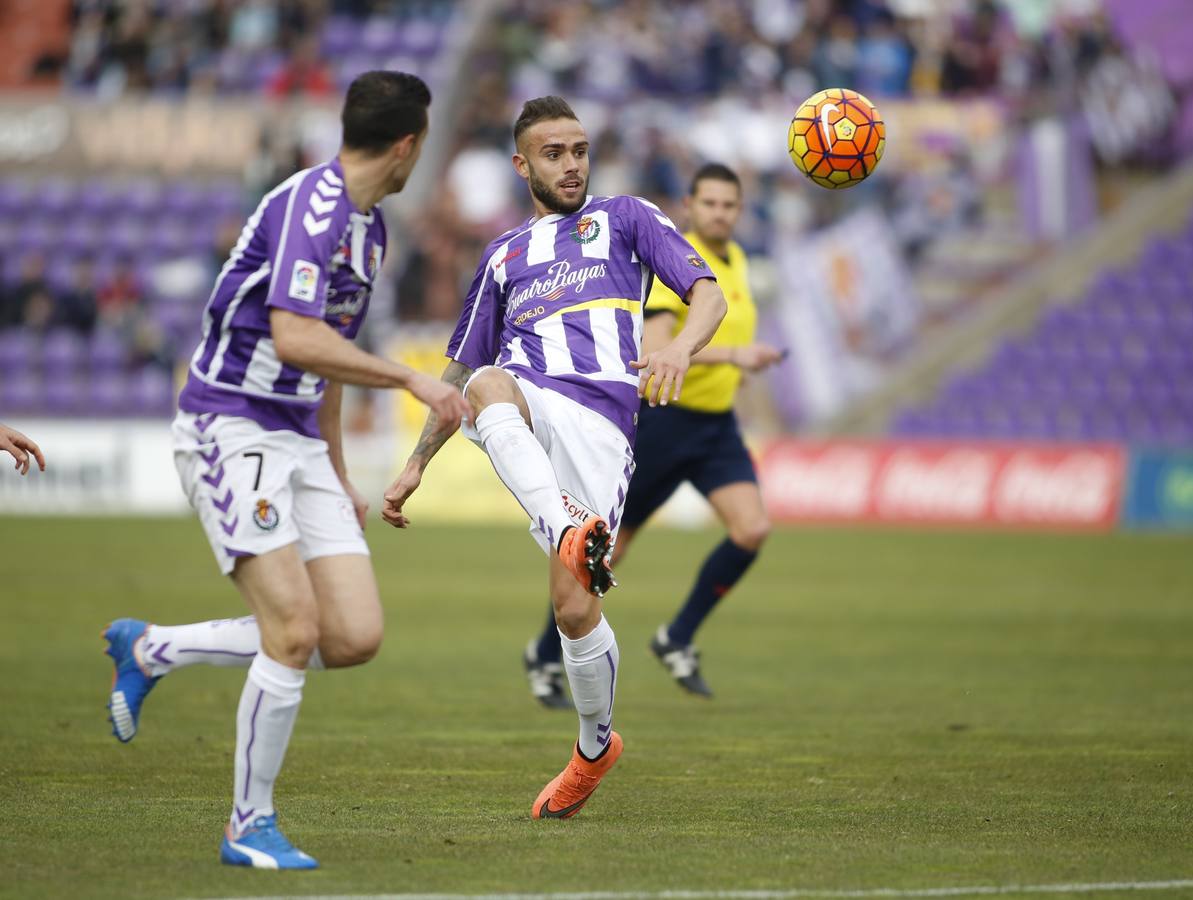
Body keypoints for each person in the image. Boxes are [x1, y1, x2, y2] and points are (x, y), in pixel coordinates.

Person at [100, 71, 471, 870]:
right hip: (228, 425)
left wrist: (336, 470)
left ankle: (152, 650)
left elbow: (326, 362)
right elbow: (297, 336)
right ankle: (247, 824)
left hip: (301, 438)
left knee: (352, 635)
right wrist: (409, 377)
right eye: (422, 142)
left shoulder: (369, 232)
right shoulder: (313, 208)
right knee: (295, 630)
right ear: (407, 144)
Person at [380, 96, 727, 820]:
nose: (570, 165)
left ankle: (594, 747)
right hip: (529, 399)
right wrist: (416, 462)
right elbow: (458, 373)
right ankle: (568, 525)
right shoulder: (503, 256)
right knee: (487, 381)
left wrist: (678, 347)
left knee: (574, 613)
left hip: (602, 423)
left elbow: (707, 294)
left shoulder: (626, 217)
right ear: (522, 163)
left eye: (578, 151)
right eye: (553, 153)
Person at [524, 163, 784, 705]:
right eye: (709, 203)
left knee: (752, 528)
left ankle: (677, 636)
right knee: (602, 555)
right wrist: (736, 355)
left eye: (729, 204)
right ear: (689, 206)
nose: (720, 212)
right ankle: (544, 656)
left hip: (715, 427)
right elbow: (661, 347)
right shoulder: (679, 264)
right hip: (665, 423)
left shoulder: (737, 264)